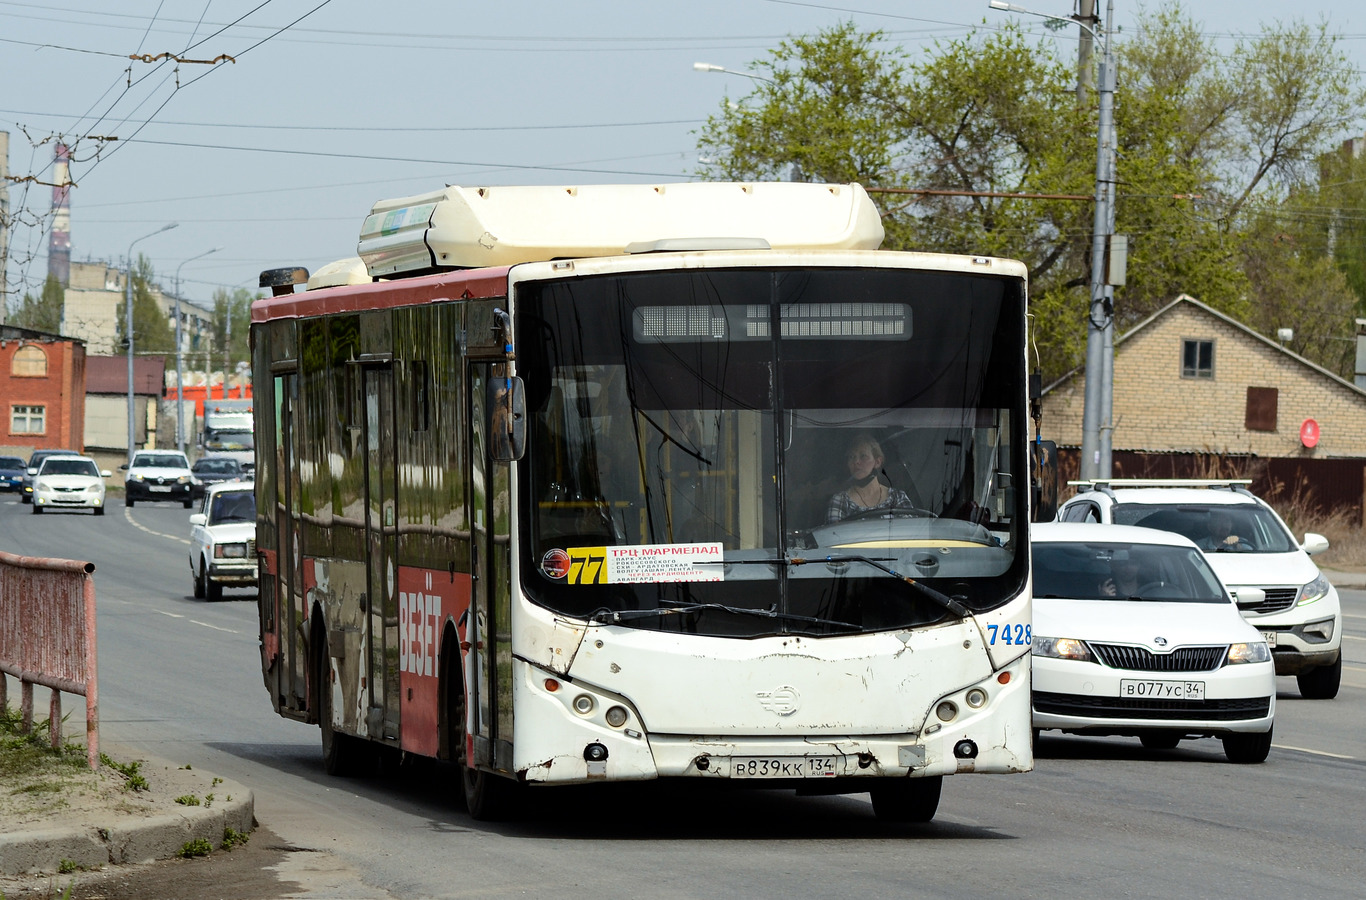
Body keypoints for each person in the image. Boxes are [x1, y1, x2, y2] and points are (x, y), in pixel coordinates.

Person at [826, 435, 914, 523]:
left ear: (878, 462)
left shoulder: (897, 497)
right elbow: (834, 534)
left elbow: (910, 531)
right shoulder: (840, 501)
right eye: (851, 457)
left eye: (863, 456)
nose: (856, 461)